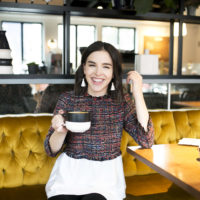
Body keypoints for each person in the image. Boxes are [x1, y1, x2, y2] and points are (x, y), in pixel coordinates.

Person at [44, 41, 154, 200]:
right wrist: (59, 131)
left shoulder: (121, 101)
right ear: (84, 68)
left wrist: (138, 92)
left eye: (106, 66)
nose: (98, 73)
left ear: (114, 72)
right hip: (69, 176)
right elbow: (50, 150)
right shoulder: (67, 99)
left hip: (105, 181)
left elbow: (146, 139)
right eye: (92, 65)